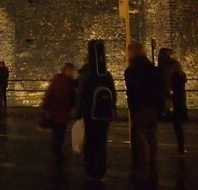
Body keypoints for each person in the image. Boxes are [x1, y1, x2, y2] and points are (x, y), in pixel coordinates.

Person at [77, 40, 116, 182]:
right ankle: (101, 171)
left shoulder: (86, 73)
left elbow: (80, 93)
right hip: (104, 114)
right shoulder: (106, 74)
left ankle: (90, 169)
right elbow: (113, 93)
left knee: (91, 141)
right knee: (101, 142)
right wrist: (113, 110)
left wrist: (78, 112)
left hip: (90, 113)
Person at [125, 42, 162, 181]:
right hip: (152, 108)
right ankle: (153, 167)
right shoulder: (153, 68)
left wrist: (133, 107)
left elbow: (133, 91)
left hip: (139, 109)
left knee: (141, 140)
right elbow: (158, 88)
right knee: (153, 138)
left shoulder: (131, 71)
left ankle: (144, 170)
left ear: (132, 53)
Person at [40, 62, 76, 164]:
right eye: (70, 71)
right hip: (58, 114)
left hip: (60, 114)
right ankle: (59, 155)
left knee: (59, 135)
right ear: (66, 70)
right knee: (59, 136)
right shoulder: (64, 81)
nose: (71, 73)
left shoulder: (65, 81)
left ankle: (58, 154)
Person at [159, 48, 188, 155]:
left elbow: (165, 84)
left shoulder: (165, 68)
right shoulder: (176, 67)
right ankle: (181, 149)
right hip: (179, 99)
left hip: (170, 100)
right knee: (178, 125)